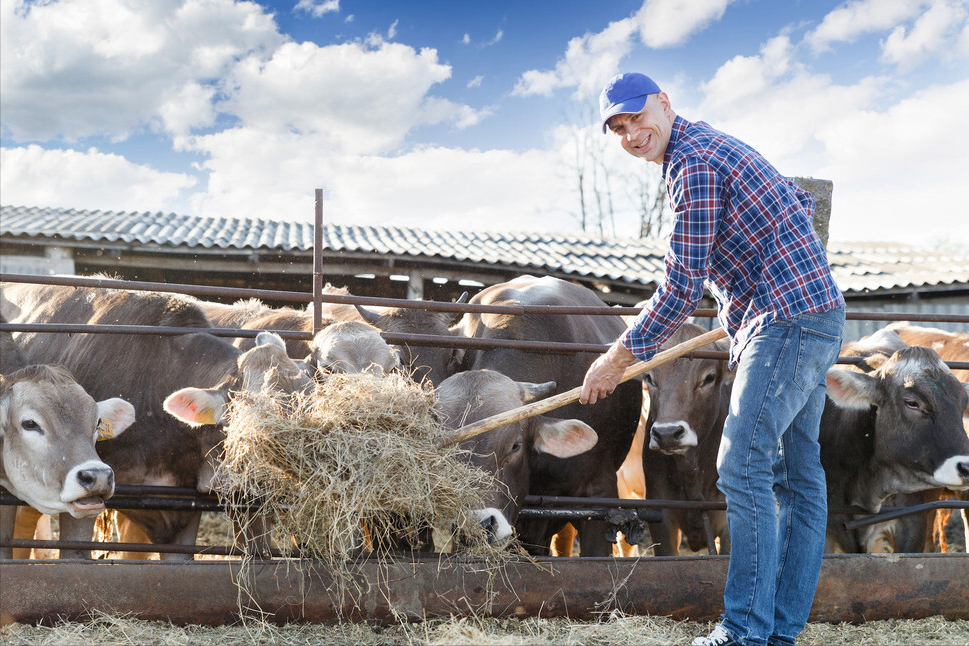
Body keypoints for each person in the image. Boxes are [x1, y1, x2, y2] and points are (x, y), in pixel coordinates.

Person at [579, 72, 846, 646]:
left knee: (742, 468)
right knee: (798, 477)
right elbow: (794, 201)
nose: (630, 133)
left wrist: (615, 358)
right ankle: (777, 633)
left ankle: (746, 631)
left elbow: (680, 287)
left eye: (636, 117)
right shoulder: (714, 146)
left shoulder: (692, 164)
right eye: (618, 128)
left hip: (783, 322)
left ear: (665, 103)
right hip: (813, 314)